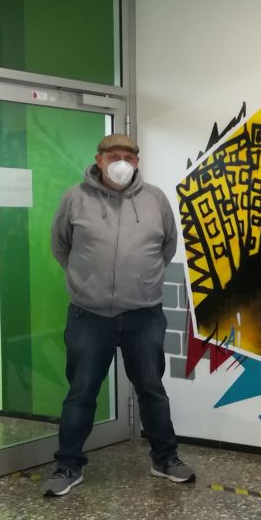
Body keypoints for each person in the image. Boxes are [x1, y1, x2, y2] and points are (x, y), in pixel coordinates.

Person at [44, 133, 195, 496]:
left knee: (152, 389)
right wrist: (89, 283)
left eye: (129, 155)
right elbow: (60, 246)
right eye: (114, 155)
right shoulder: (75, 198)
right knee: (81, 392)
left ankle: (165, 458)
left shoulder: (156, 199)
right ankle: (68, 465)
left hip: (144, 315)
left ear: (137, 162)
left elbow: (167, 245)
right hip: (89, 315)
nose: (122, 161)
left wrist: (139, 282)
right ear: (99, 159)